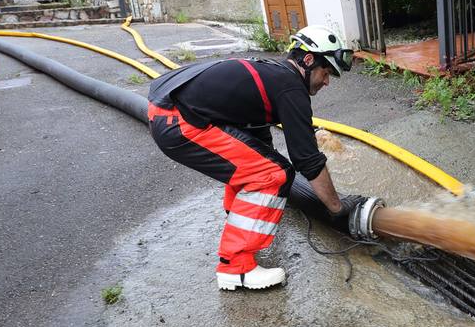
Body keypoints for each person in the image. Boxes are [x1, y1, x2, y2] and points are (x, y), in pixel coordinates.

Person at [147, 25, 366, 290]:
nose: (327, 81)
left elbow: (257, 140)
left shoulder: (272, 75)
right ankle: (236, 268)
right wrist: (337, 208)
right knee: (274, 175)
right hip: (179, 121)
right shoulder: (291, 88)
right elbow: (307, 159)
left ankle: (241, 220)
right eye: (326, 72)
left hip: (166, 110)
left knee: (258, 165)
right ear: (308, 61)